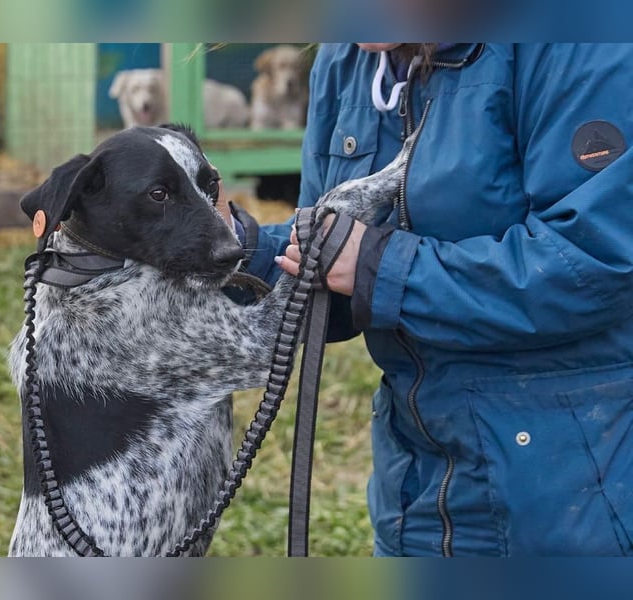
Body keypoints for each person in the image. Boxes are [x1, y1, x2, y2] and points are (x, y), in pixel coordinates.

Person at [224, 43, 633, 556]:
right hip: (414, 485)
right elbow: (326, 255)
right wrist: (231, 245)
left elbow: (597, 260)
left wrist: (379, 268)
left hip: (571, 487)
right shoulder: (345, 59)